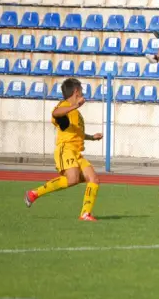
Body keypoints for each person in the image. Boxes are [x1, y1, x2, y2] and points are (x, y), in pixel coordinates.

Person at [24, 78, 102, 222]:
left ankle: (85, 214)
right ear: (76, 91)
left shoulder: (76, 114)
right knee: (72, 179)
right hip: (65, 149)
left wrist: (92, 137)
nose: (83, 93)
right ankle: (34, 193)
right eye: (81, 91)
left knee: (94, 179)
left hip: (77, 152)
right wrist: (75, 106)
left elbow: (76, 133)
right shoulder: (65, 106)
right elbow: (56, 114)